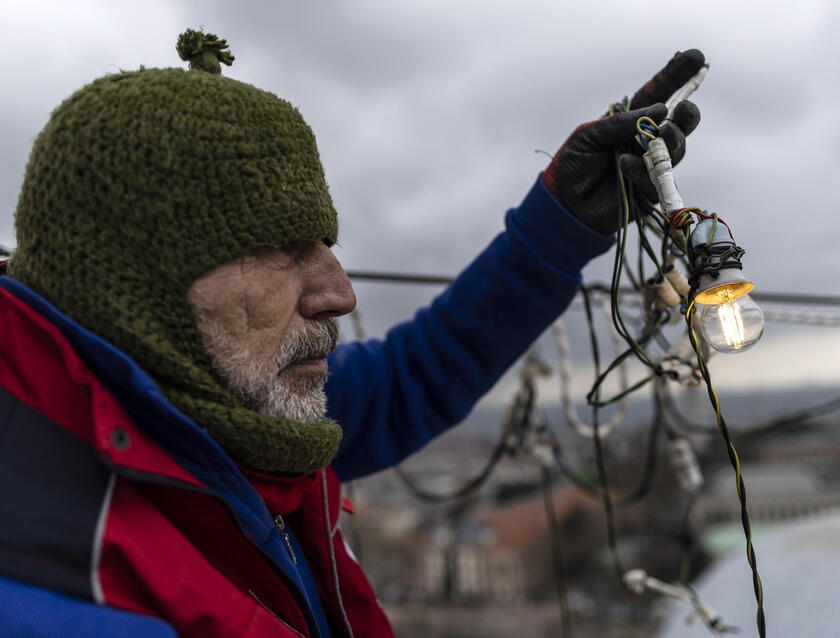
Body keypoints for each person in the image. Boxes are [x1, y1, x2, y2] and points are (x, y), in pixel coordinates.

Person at [0, 28, 703, 638]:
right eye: (279, 248)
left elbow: (413, 378)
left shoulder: (227, 405)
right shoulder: (47, 588)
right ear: (137, 283)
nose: (340, 294)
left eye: (325, 244)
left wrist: (560, 227)